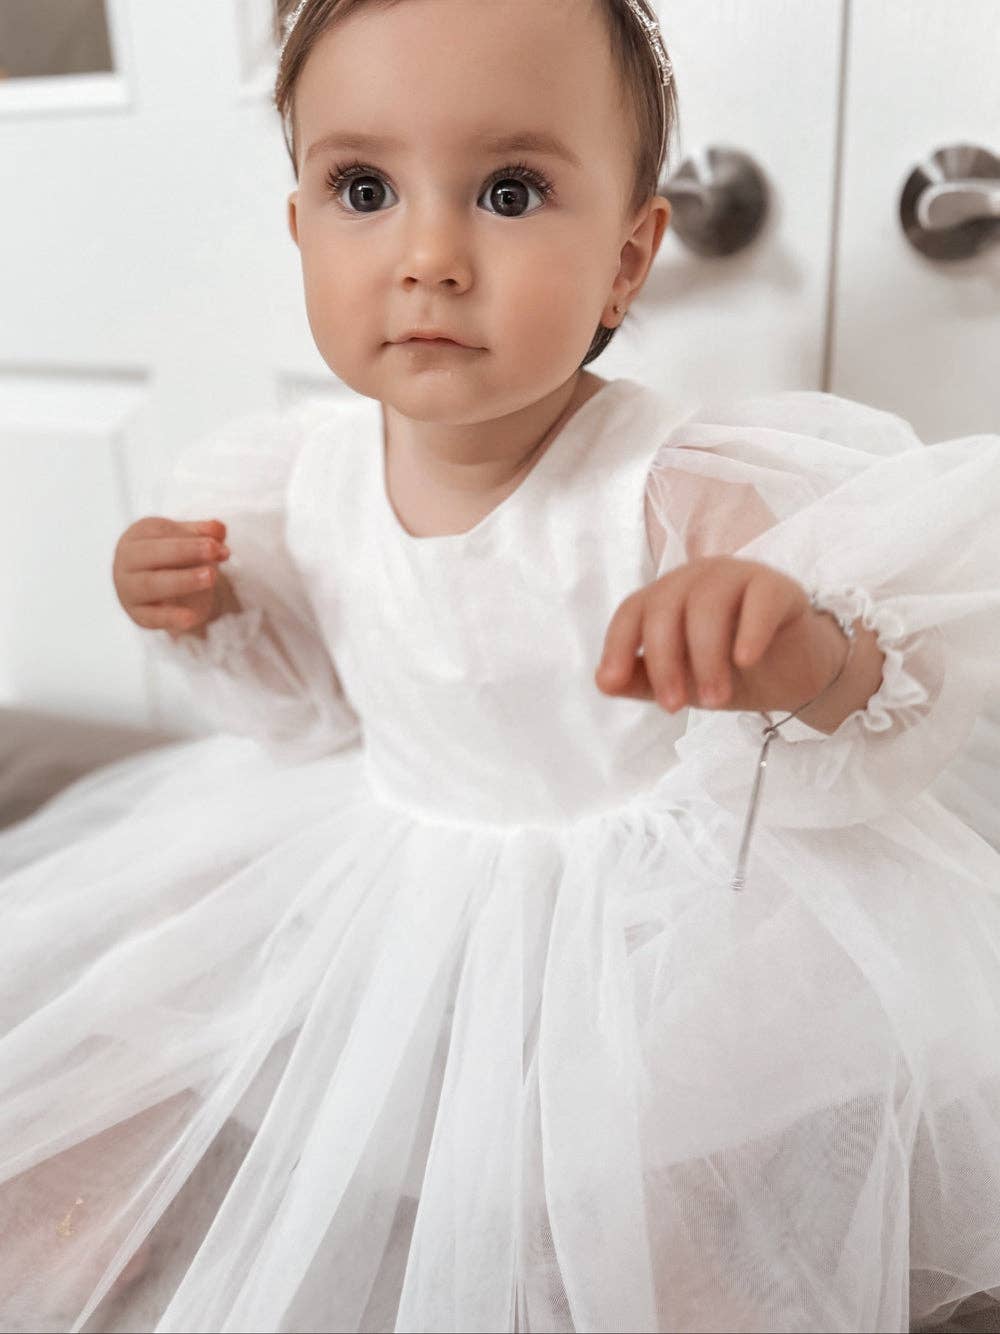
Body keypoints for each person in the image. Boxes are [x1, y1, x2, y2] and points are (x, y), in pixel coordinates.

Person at [1, 1, 999, 1330]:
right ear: (301, 225)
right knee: (163, 1020)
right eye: (364, 188)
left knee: (653, 1194)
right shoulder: (298, 477)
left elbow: (883, 695)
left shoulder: (676, 486)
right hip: (399, 858)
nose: (429, 255)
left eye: (511, 192)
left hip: (646, 918)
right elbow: (306, 710)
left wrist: (788, 640)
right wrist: (204, 604)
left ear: (628, 260)